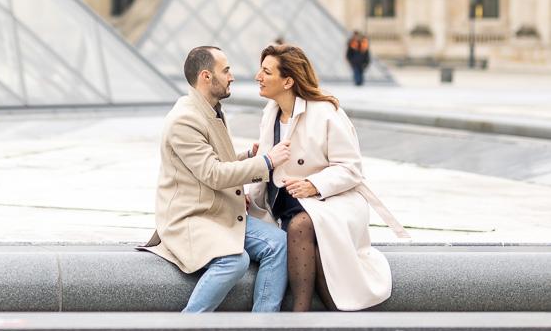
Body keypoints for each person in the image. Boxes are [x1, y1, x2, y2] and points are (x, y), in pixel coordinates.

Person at [247, 43, 409, 312]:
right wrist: (245, 196)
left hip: (333, 202)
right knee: (313, 247)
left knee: (301, 228)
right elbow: (265, 168)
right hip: (290, 205)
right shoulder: (270, 113)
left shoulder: (326, 112)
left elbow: (351, 168)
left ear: (288, 81)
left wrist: (313, 185)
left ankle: (300, 314)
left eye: (266, 72)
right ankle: (333, 316)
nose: (257, 77)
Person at [142, 46, 292, 312]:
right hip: (192, 217)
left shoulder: (209, 109)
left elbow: (210, 161)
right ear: (206, 77)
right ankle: (188, 325)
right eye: (226, 70)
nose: (232, 76)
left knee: (279, 244)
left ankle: (263, 327)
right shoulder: (184, 120)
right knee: (235, 261)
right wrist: (266, 162)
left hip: (218, 211)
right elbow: (213, 173)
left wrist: (247, 155)